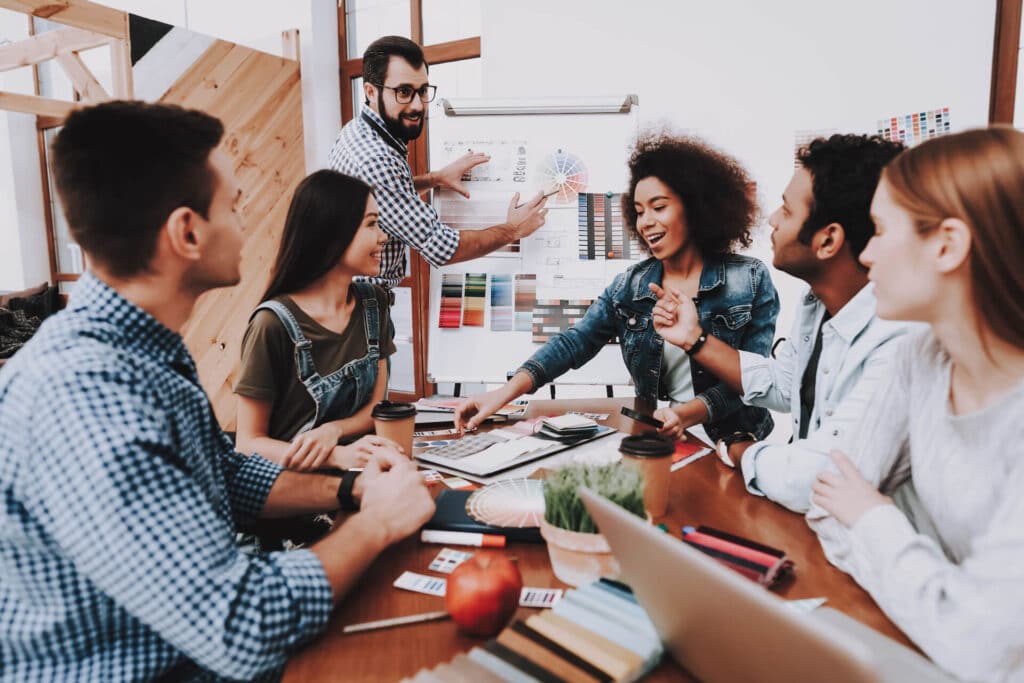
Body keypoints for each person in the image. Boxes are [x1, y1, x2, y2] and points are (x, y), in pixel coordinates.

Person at [0, 101, 435, 682]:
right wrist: (377, 522)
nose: (246, 222)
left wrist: (352, 490)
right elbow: (240, 626)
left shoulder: (146, 351)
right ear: (187, 231)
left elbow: (225, 475)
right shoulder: (84, 394)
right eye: (233, 205)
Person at [806, 127, 1024, 681]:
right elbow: (826, 507)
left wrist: (876, 519)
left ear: (948, 244)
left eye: (879, 230)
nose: (867, 252)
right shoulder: (920, 356)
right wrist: (945, 601)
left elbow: (986, 654)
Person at [455, 133, 779, 445]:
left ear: (695, 207)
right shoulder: (630, 286)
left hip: (739, 444)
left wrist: (687, 413)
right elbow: (574, 342)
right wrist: (502, 393)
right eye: (639, 212)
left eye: (659, 207)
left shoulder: (749, 281)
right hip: (660, 440)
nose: (645, 222)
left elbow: (751, 379)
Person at [651, 134, 907, 512]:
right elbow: (783, 384)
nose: (771, 219)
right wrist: (694, 338)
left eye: (786, 211)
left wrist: (742, 450)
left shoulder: (899, 338)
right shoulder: (817, 304)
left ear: (828, 240)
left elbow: (819, 476)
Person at [328, 35, 549, 295]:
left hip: (350, 302)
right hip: (361, 312)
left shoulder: (357, 130)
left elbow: (384, 192)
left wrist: (436, 178)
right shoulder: (375, 158)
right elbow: (440, 245)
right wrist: (513, 230)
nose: (418, 105)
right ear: (370, 91)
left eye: (422, 91)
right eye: (404, 92)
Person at [234, 170, 399, 473]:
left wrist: (332, 430)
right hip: (295, 492)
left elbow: (375, 409)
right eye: (371, 224)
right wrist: (334, 456)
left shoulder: (374, 303)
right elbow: (248, 443)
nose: (383, 236)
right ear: (332, 234)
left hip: (362, 476)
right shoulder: (272, 324)